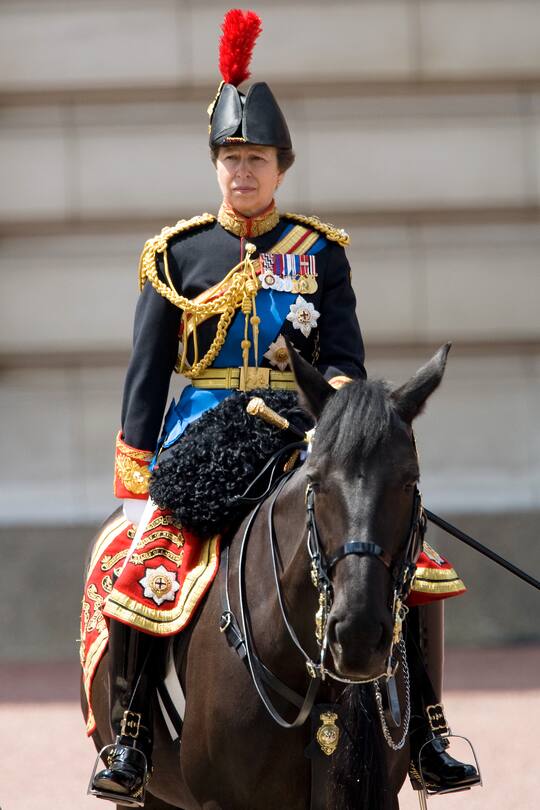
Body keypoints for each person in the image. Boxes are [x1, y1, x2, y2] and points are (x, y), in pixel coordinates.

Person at [90, 9, 479, 804]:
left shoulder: (318, 253)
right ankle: (131, 735)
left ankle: (430, 726)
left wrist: (335, 421)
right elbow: (147, 371)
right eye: (231, 158)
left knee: (414, 562)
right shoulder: (177, 254)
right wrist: (135, 475)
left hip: (301, 436)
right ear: (216, 165)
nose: (243, 172)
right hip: (199, 436)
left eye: (257, 158)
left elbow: (345, 360)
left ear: (281, 166)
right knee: (144, 562)